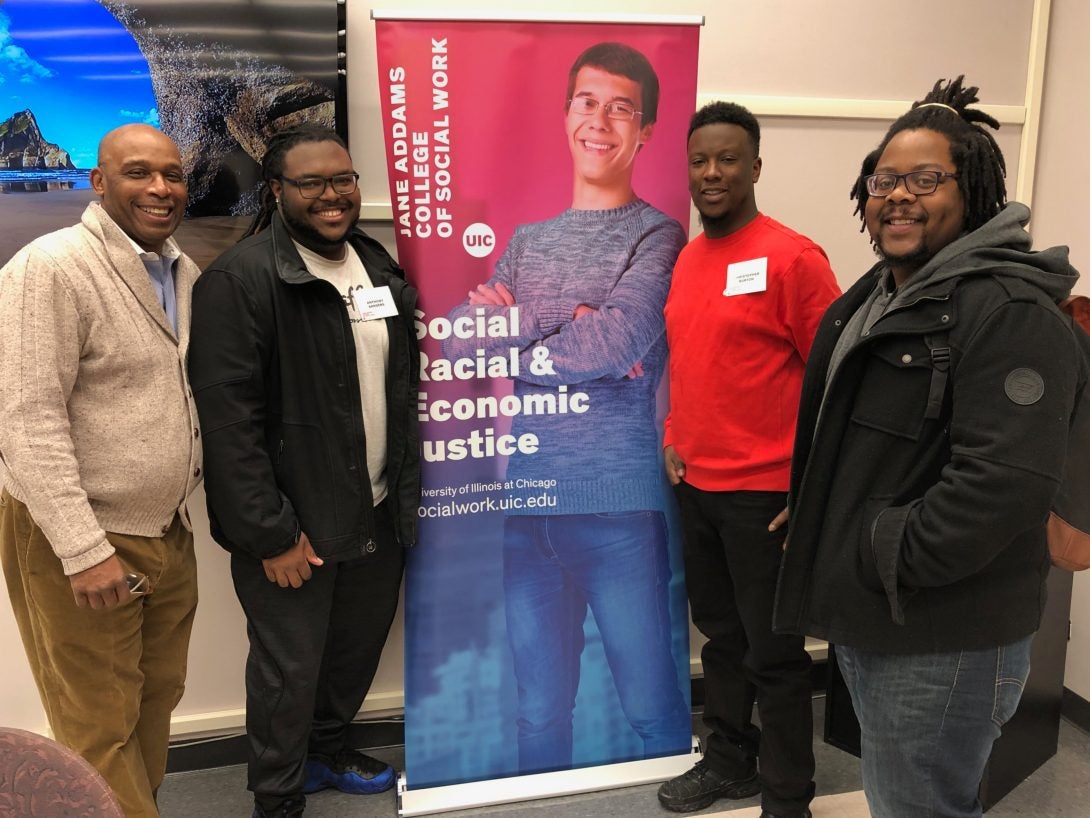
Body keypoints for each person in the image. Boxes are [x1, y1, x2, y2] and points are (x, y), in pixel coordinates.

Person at [774, 77, 1085, 818]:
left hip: (944, 639)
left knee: (921, 808)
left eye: (925, 178)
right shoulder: (882, 295)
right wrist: (821, 515)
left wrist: (882, 551)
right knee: (901, 799)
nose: (899, 196)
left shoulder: (1008, 312)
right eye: (884, 180)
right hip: (887, 614)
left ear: (974, 189)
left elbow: (1001, 487)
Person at [444, 42, 691, 774]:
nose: (602, 121)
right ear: (565, 116)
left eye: (623, 108)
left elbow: (612, 344)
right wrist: (554, 327)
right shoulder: (528, 240)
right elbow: (460, 346)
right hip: (527, 507)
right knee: (538, 713)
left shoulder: (658, 234)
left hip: (617, 508)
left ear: (644, 131)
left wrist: (520, 331)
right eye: (589, 102)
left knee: (651, 708)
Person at [187, 125, 420, 818]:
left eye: (342, 179)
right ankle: (278, 795)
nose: (332, 195)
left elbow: (398, 391)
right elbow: (229, 428)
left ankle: (327, 750)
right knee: (288, 669)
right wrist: (269, 535)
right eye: (312, 183)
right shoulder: (241, 279)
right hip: (295, 523)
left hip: (375, 506)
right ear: (279, 192)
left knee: (354, 653)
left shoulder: (377, 268)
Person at [0, 124, 202, 818]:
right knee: (96, 727)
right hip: (83, 541)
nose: (160, 189)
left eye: (172, 174)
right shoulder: (49, 268)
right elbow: (25, 421)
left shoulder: (180, 271)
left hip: (164, 532)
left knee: (153, 704)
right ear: (97, 180)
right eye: (138, 172)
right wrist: (83, 551)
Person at [656, 102, 839, 817]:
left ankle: (789, 796)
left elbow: (837, 381)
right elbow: (691, 358)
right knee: (723, 642)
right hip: (697, 489)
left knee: (777, 658)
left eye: (728, 159)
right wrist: (675, 430)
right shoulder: (689, 258)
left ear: (756, 167)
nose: (711, 173)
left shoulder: (794, 257)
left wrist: (813, 489)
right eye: (699, 160)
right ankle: (730, 760)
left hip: (767, 499)